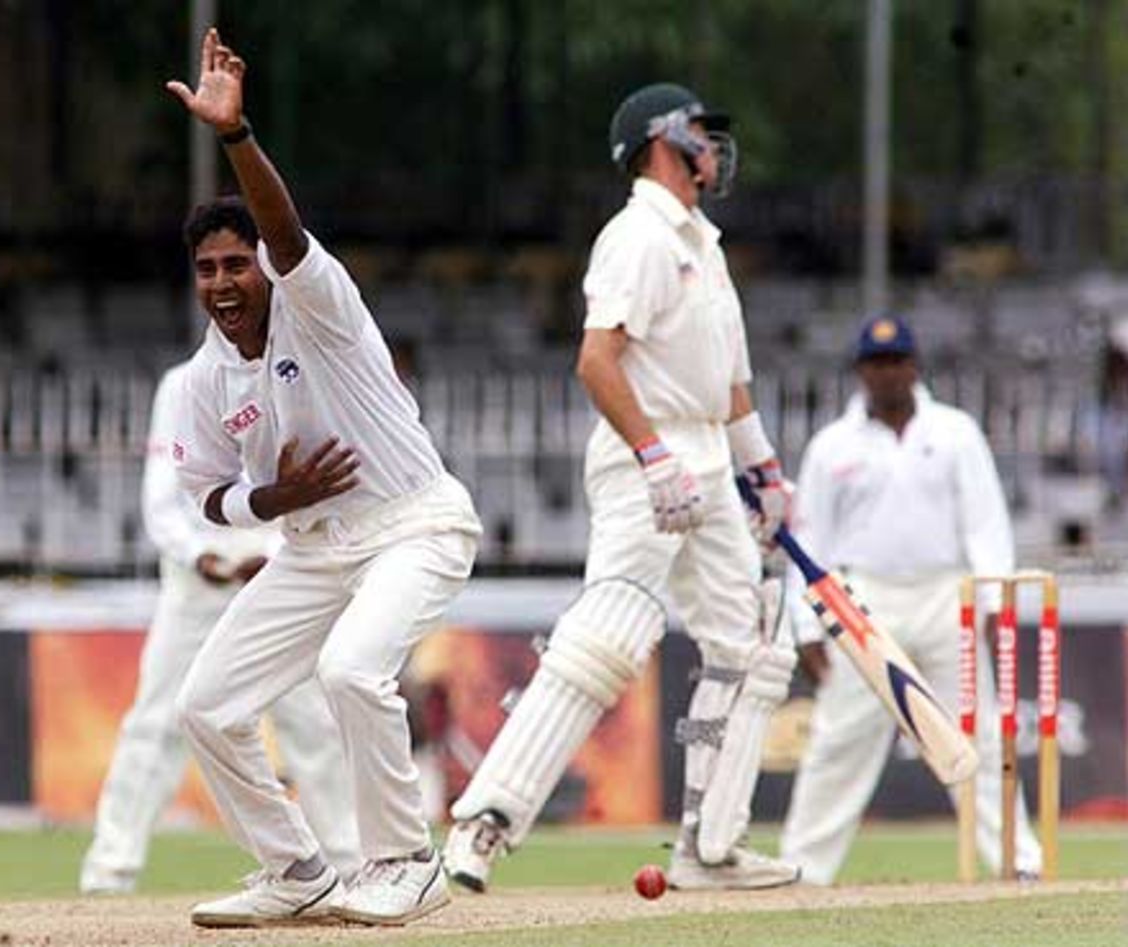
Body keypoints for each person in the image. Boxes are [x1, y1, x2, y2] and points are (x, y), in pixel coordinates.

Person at [442, 82, 800, 893]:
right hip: (652, 457)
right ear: (663, 139)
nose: (717, 147)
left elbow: (730, 385)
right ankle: (481, 827)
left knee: (755, 646)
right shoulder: (636, 235)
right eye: (704, 133)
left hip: (708, 454)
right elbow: (597, 360)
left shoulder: (701, 244)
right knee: (605, 638)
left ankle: (710, 848)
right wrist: (652, 456)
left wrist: (767, 473)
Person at [165, 28, 481, 928]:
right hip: (310, 550)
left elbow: (283, 228)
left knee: (351, 671)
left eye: (235, 264)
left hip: (414, 525)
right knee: (207, 706)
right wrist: (273, 499)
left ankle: (406, 859)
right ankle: (296, 867)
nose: (223, 282)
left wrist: (234, 137)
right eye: (207, 269)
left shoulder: (317, 302)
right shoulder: (201, 380)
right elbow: (209, 497)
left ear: (261, 268)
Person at [78, 362, 361, 895]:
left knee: (311, 724)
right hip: (197, 581)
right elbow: (163, 495)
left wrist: (273, 554)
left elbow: (311, 482)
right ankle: (109, 872)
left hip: (284, 572)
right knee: (156, 722)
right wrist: (204, 556)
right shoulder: (182, 384)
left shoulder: (297, 373)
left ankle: (351, 865)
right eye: (208, 271)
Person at [779, 315, 1043, 884]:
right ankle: (802, 870)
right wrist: (804, 626)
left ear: (914, 365)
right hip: (863, 601)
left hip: (947, 594)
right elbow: (808, 541)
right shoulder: (831, 447)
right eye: (876, 363)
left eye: (896, 360)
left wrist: (994, 600)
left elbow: (986, 522)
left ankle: (1019, 862)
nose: (887, 373)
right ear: (860, 371)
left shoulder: (954, 432)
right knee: (837, 741)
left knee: (978, 735)